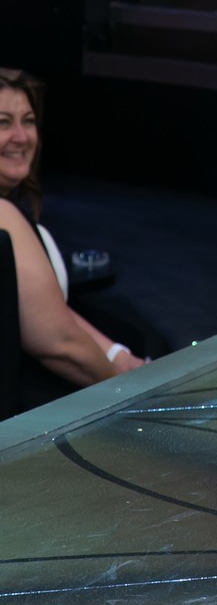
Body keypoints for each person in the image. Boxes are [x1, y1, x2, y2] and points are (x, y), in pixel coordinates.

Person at [0, 69, 146, 393]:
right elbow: (59, 344)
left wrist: (117, 355)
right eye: (3, 123)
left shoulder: (10, 207)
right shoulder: (3, 214)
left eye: (28, 121)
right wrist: (130, 392)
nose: (21, 137)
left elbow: (46, 309)